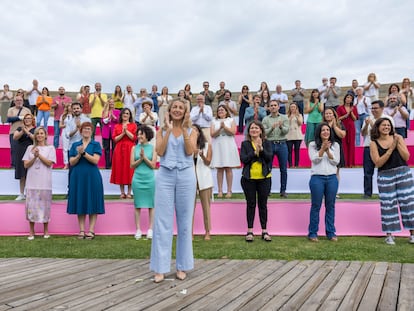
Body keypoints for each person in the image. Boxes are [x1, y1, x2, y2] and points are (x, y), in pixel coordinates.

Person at [150, 98, 197, 283]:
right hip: (165, 176)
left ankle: (183, 265)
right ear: (168, 111)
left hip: (186, 175)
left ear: (186, 112)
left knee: (185, 222)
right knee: (162, 221)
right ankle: (160, 268)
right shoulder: (161, 130)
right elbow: (160, 152)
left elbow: (190, 151)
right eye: (174, 107)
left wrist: (184, 130)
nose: (177, 110)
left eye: (181, 108)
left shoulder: (193, 131)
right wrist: (169, 130)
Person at [370, 118, 414, 245]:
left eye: (388, 125)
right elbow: (378, 163)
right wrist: (391, 149)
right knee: (388, 204)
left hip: (403, 172)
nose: (386, 127)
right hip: (385, 175)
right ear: (377, 127)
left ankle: (412, 234)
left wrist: (397, 143)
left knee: (408, 203)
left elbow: (406, 157)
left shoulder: (398, 137)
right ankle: (389, 235)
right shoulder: (374, 143)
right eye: (383, 125)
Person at [67, 122, 105, 240]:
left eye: (89, 129)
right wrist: (79, 155)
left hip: (92, 176)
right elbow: (72, 162)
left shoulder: (96, 144)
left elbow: (95, 160)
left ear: (92, 131)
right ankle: (82, 230)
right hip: (78, 176)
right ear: (81, 131)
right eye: (84, 129)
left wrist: (84, 153)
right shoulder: (75, 145)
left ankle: (92, 230)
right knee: (81, 201)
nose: (86, 131)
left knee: (93, 201)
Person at [240, 120, 273, 242]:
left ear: (261, 130)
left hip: (264, 178)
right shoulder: (245, 144)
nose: (254, 130)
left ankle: (264, 231)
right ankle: (250, 230)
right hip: (249, 179)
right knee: (251, 204)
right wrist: (255, 152)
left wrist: (261, 149)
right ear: (249, 131)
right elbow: (244, 159)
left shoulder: (267, 143)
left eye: (256, 128)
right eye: (252, 128)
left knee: (263, 204)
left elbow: (269, 157)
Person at [307, 122, 340, 242]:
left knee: (330, 206)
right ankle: (312, 233)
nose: (326, 132)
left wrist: (328, 151)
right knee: (316, 205)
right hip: (317, 178)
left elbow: (336, 161)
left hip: (331, 178)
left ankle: (331, 232)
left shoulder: (335, 145)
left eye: (327, 130)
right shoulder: (312, 145)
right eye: (323, 130)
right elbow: (314, 159)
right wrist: (322, 149)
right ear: (319, 133)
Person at [22, 127, 56, 240]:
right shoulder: (30, 148)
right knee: (31, 207)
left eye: (42, 133)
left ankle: (46, 231)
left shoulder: (50, 148)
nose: (40, 135)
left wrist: (39, 155)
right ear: (35, 136)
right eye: (38, 134)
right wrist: (34, 157)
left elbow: (49, 163)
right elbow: (26, 165)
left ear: (45, 135)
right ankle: (31, 231)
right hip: (32, 183)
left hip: (45, 183)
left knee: (45, 208)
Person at [361, 100, 394, 199]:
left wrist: (372, 124)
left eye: (376, 108)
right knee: (367, 172)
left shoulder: (387, 119)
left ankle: (387, 192)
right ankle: (367, 193)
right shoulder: (367, 118)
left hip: (383, 147)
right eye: (372, 108)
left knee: (385, 171)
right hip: (368, 146)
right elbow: (363, 134)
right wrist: (367, 124)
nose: (373, 110)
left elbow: (388, 133)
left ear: (382, 108)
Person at [130, 125, 157, 240]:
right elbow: (132, 165)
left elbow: (153, 165)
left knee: (151, 205)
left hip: (149, 179)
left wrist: (144, 157)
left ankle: (150, 229)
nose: (139, 136)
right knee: (137, 205)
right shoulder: (134, 148)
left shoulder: (153, 148)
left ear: (147, 135)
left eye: (142, 134)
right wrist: (140, 159)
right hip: (137, 179)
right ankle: (138, 229)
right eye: (138, 134)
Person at [210, 105, 240, 198]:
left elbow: (233, 132)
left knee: (228, 168)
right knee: (219, 168)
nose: (220, 111)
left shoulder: (231, 120)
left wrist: (225, 127)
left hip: (228, 144)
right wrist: (219, 128)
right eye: (219, 110)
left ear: (226, 111)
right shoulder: (214, 121)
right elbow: (212, 134)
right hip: (218, 143)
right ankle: (219, 190)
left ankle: (229, 190)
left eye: (222, 110)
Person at [262, 100, 289, 197]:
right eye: (271, 105)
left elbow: (286, 131)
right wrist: (272, 128)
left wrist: (281, 127)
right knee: (268, 168)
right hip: (269, 144)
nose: (273, 107)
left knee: (283, 169)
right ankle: (267, 190)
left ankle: (283, 191)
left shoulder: (284, 117)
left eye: (275, 105)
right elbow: (264, 133)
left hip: (282, 143)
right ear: (269, 107)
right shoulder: (265, 119)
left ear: (278, 107)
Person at [192, 123, 213, 240]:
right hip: (190, 178)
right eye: (192, 130)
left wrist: (201, 156)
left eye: (196, 130)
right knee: (190, 207)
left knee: (206, 207)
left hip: (204, 178)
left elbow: (208, 162)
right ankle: (190, 232)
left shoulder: (206, 145)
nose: (194, 132)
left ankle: (207, 232)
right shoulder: (187, 146)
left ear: (200, 132)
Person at [110, 108, 137, 198]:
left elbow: (134, 138)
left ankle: (129, 192)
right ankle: (122, 192)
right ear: (121, 115)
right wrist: (122, 133)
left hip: (130, 148)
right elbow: (115, 139)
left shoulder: (133, 125)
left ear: (130, 115)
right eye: (124, 113)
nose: (125, 115)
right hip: (119, 149)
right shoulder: (117, 126)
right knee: (120, 168)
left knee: (130, 169)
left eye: (127, 113)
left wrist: (126, 131)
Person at [323, 107, 346, 198]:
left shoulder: (339, 123)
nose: (328, 115)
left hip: (336, 150)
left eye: (330, 113)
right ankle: (325, 192)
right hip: (326, 149)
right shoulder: (322, 125)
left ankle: (334, 192)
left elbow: (342, 135)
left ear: (334, 114)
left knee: (336, 172)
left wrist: (334, 126)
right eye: (326, 114)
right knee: (325, 171)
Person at [13, 113, 35, 200]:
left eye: (29, 118)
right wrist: (23, 131)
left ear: (32, 120)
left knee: (31, 173)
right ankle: (21, 193)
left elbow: (35, 138)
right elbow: (15, 137)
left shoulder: (36, 129)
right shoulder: (19, 128)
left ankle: (30, 193)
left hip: (31, 152)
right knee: (22, 173)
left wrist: (27, 132)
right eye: (26, 118)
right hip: (21, 151)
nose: (27, 120)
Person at [7, 95, 31, 168]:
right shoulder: (11, 109)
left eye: (20, 100)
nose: (19, 102)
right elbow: (9, 119)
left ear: (23, 101)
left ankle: (25, 165)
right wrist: (20, 117)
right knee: (14, 149)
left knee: (25, 149)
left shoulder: (27, 110)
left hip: (25, 132)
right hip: (13, 132)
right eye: (17, 100)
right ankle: (14, 165)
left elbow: (30, 119)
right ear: (14, 102)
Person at [337, 94, 358, 167]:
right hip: (343, 127)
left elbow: (355, 119)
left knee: (351, 144)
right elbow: (338, 118)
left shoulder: (354, 108)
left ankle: (351, 163)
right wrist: (345, 116)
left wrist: (351, 112)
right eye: (347, 97)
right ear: (345, 99)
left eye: (350, 98)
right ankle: (344, 163)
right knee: (344, 145)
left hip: (351, 127)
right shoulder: (340, 107)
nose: (348, 99)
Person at [101, 98, 120, 169]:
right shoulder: (104, 111)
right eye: (110, 102)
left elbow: (119, 120)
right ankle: (107, 165)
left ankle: (113, 164)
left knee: (115, 149)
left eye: (112, 102)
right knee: (107, 149)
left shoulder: (117, 111)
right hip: (106, 132)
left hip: (114, 132)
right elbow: (102, 121)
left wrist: (114, 118)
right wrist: (108, 119)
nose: (111, 104)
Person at [286, 102, 303, 168]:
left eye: (294, 107)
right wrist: (290, 117)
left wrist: (296, 116)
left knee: (297, 151)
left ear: (296, 108)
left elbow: (300, 123)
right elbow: (286, 124)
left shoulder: (300, 115)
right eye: (291, 107)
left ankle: (296, 165)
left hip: (297, 136)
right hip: (289, 136)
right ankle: (290, 165)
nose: (292, 108)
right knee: (289, 151)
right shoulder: (286, 116)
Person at [59, 104, 73, 169]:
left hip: (73, 133)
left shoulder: (75, 116)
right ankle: (66, 164)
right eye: (69, 106)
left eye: (71, 106)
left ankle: (72, 163)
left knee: (72, 148)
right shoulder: (63, 116)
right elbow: (60, 126)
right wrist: (65, 125)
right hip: (65, 133)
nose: (70, 107)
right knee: (65, 149)